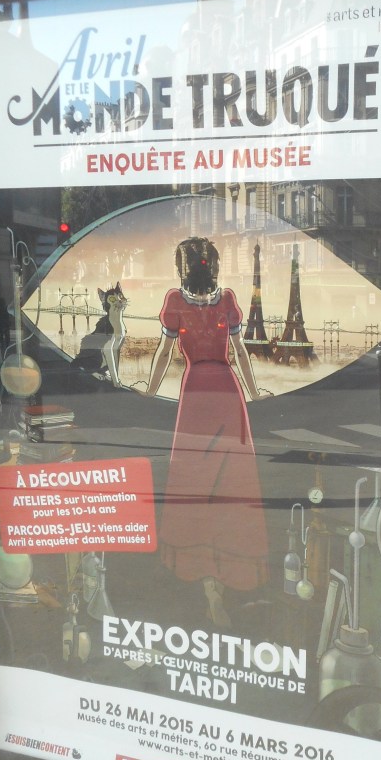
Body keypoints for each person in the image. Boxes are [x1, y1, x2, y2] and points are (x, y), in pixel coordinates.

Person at [141, 237, 268, 625]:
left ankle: (202, 575)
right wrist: (254, 392)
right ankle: (226, 575)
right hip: (227, 392)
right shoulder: (227, 300)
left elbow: (164, 355)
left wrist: (149, 392)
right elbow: (240, 353)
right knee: (232, 483)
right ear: (214, 267)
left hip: (195, 392)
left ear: (181, 270)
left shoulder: (174, 302)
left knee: (194, 480)